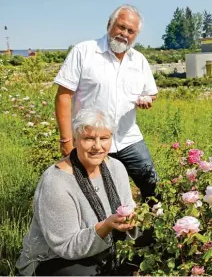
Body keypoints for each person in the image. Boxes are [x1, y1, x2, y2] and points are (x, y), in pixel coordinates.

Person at [54, 4, 158, 202]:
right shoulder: (84, 52)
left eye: (131, 31)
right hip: (93, 141)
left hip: (128, 138)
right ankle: (104, 231)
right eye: (121, 27)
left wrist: (147, 99)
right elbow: (63, 95)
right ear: (109, 24)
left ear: (136, 35)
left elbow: (150, 93)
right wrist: (67, 141)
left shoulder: (139, 61)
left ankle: (151, 231)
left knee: (152, 186)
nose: (124, 34)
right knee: (96, 195)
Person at [16, 108, 137, 276]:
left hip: (102, 249)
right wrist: (106, 226)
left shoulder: (116, 168)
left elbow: (128, 208)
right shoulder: (56, 182)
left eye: (104, 138)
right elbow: (66, 246)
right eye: (88, 138)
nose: (97, 146)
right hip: (54, 259)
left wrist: (132, 221)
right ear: (74, 140)